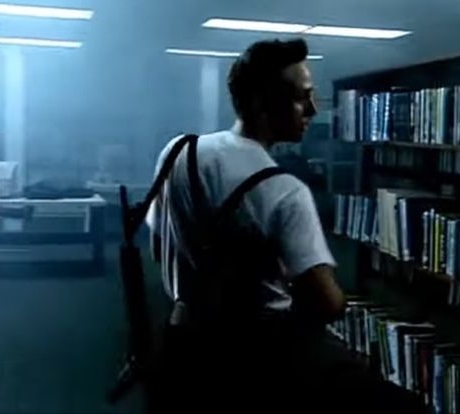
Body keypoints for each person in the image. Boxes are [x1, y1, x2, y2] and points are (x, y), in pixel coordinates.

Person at [145, 38, 421, 413]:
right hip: (260, 362)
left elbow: (159, 244)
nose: (312, 109)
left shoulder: (179, 151)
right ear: (262, 102)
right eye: (301, 97)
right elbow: (326, 304)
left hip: (183, 345)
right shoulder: (284, 191)